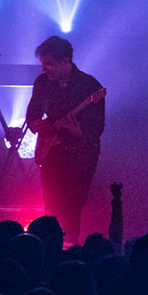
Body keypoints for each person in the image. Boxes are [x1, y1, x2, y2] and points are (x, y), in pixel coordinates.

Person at [26, 35, 105, 243]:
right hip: (52, 151)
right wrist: (39, 127)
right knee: (51, 205)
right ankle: (50, 249)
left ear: (66, 61)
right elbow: (32, 115)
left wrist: (78, 132)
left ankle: (69, 248)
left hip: (81, 155)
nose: (44, 69)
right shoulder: (42, 83)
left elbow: (97, 129)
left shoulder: (90, 87)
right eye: (43, 64)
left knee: (72, 206)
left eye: (49, 64)